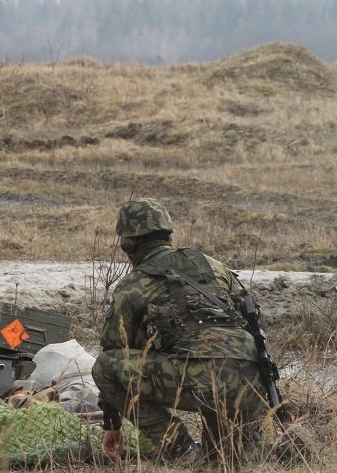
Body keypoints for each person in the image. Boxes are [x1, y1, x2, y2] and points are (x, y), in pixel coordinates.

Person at [92, 197, 268, 466]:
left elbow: (113, 349)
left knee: (105, 366)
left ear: (127, 244)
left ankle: (180, 449)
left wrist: (112, 423)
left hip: (203, 381)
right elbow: (254, 319)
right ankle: (273, 449)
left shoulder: (133, 285)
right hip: (251, 381)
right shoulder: (213, 265)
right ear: (169, 235)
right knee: (223, 460)